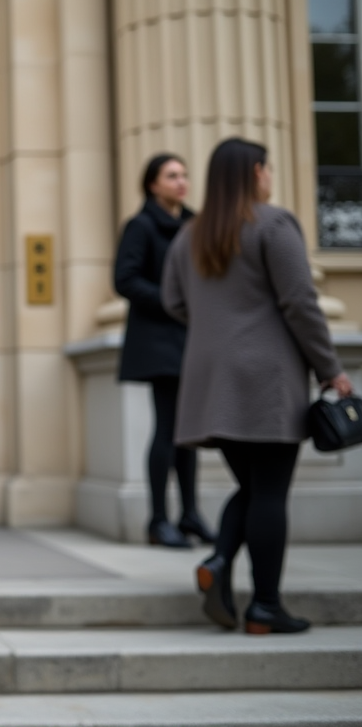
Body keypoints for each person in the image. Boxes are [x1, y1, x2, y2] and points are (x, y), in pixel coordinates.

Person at [162, 137, 353, 635]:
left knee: (252, 486)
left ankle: (220, 560)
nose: (270, 176)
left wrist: (219, 328)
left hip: (211, 383)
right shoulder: (272, 223)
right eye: (267, 168)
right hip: (266, 380)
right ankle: (265, 606)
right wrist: (331, 368)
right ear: (254, 173)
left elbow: (174, 303)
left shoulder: (189, 236)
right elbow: (301, 304)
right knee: (270, 492)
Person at [114, 153, 215, 549]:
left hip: (192, 339)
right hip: (158, 340)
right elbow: (125, 279)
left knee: (188, 431)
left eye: (185, 175)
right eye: (172, 175)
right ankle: (158, 520)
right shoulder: (140, 226)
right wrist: (174, 301)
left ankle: (189, 514)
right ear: (152, 184)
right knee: (168, 429)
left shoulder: (195, 224)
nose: (181, 182)